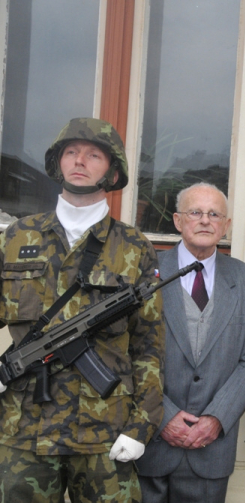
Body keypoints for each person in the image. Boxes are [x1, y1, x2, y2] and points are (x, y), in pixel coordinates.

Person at [0, 118, 164, 502]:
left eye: (93, 155)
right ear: (57, 164)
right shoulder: (17, 237)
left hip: (105, 430)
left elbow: (150, 346)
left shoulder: (134, 247)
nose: (80, 161)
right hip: (23, 431)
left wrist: (142, 426)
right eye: (71, 152)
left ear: (113, 170)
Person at [136, 182, 245, 503]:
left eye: (214, 214)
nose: (205, 220)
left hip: (211, 450)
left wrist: (215, 419)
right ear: (179, 221)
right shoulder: (145, 272)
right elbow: (127, 352)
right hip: (150, 442)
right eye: (196, 212)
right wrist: (163, 416)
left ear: (226, 225)